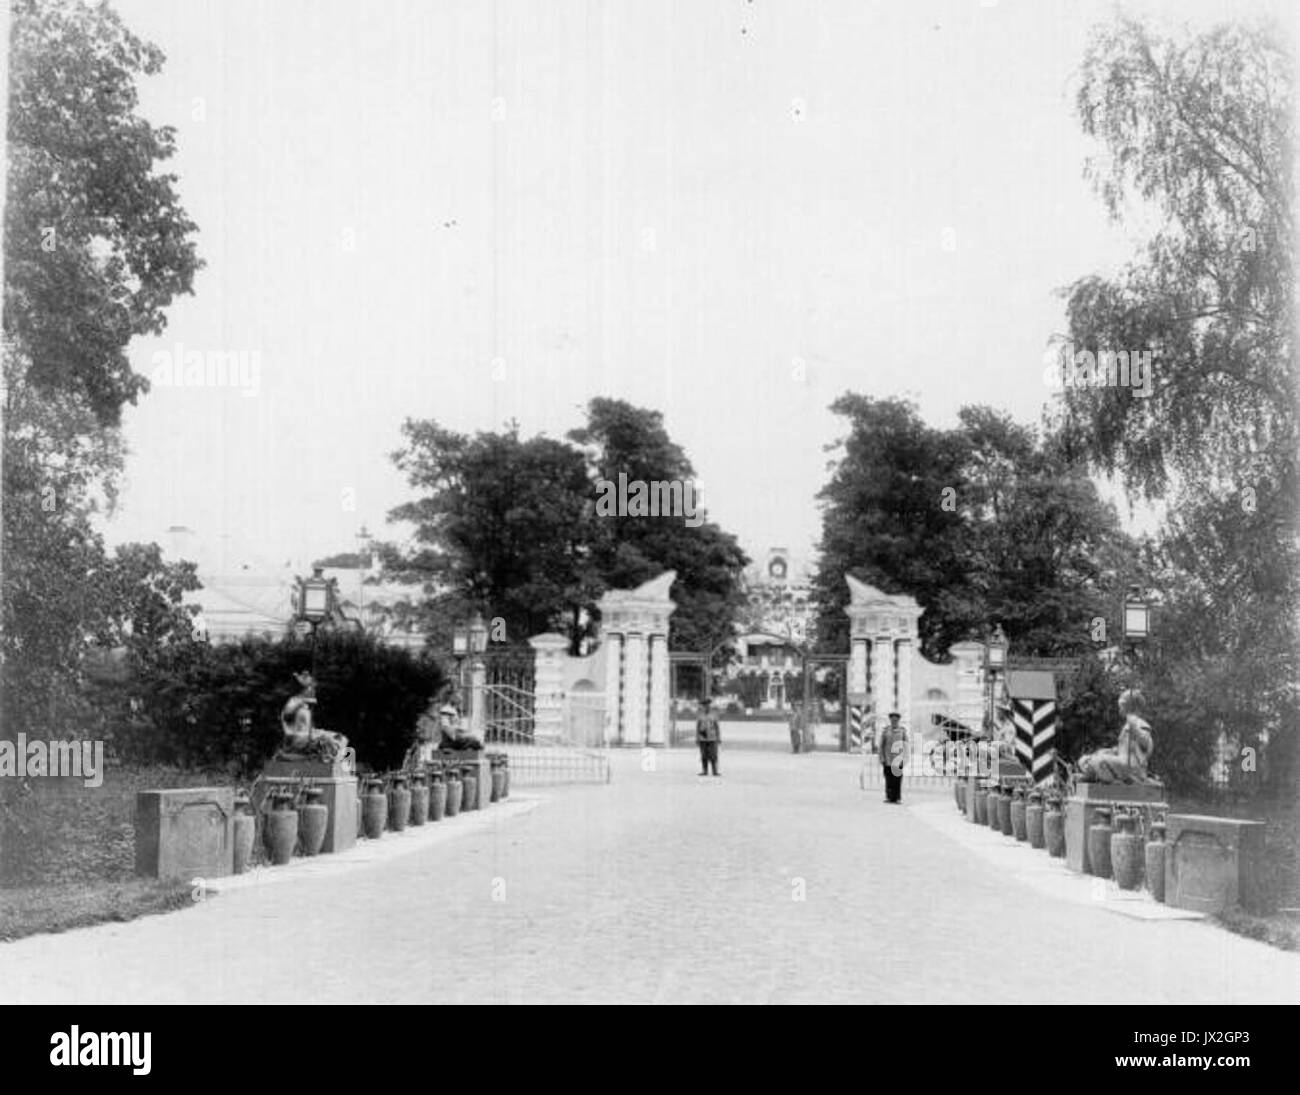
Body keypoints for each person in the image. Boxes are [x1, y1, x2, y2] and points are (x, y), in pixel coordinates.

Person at [878, 711, 908, 803]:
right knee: (888, 779)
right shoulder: (886, 731)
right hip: (887, 759)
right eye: (892, 720)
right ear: (890, 720)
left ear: (898, 721)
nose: (894, 722)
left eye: (896, 720)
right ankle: (889, 797)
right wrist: (881, 758)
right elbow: (881, 745)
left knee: (897, 779)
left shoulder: (902, 731)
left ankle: (897, 798)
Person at [696, 696, 721, 776]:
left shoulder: (714, 714)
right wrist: (697, 737)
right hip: (703, 738)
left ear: (709, 705)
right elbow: (698, 726)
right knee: (704, 755)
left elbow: (717, 726)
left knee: (713, 755)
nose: (706, 706)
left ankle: (715, 771)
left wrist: (719, 737)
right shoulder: (700, 714)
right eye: (704, 705)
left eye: (707, 705)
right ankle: (704, 771)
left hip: (712, 738)